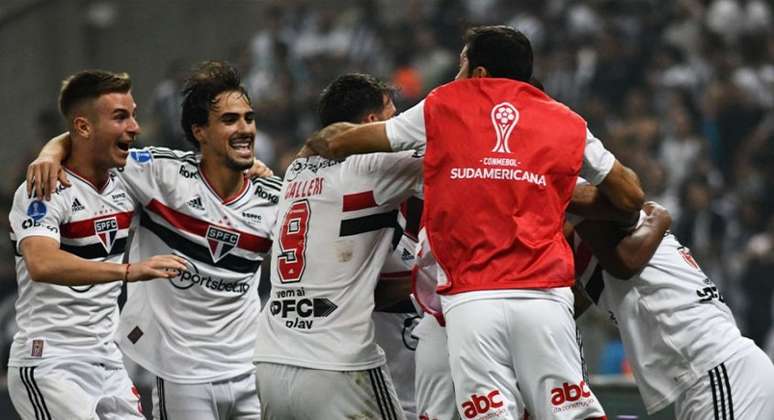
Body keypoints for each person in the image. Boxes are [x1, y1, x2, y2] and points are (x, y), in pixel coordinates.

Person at [306, 26, 644, 419]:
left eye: (461, 65)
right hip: (545, 298)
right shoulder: (567, 121)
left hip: (471, 299)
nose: (455, 76)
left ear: (479, 74)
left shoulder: (445, 104)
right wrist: (545, 183)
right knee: (572, 412)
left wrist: (315, 147)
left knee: (489, 414)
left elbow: (346, 142)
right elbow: (631, 197)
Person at [27, 61, 280, 420]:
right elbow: (92, 140)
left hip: (251, 370)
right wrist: (50, 153)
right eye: (230, 120)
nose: (245, 129)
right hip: (181, 376)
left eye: (248, 118)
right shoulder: (160, 173)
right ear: (200, 131)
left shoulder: (273, 196)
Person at [8, 70, 187, 419]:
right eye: (120, 117)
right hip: (50, 363)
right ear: (84, 128)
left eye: (133, 114)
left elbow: (199, 171)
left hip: (107, 359)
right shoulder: (44, 187)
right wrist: (129, 272)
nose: (134, 126)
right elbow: (41, 263)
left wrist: (249, 166)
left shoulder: (129, 179)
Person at [253, 73, 421, 420]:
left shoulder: (297, 168)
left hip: (270, 359)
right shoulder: (373, 169)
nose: (397, 127)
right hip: (338, 364)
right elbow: (459, 164)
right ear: (372, 122)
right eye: (392, 117)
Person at [572, 201, 774, 420]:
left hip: (719, 369)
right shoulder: (589, 247)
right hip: (706, 379)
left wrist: (662, 216)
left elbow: (626, 263)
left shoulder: (593, 204)